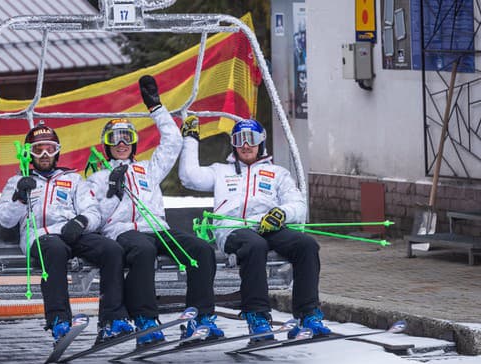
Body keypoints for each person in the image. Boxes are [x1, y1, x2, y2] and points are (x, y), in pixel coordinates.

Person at [87, 75, 224, 347]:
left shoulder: (148, 168)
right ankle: (146, 320)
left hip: (158, 229)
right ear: (107, 144)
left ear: (134, 142)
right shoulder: (98, 177)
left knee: (201, 250)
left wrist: (156, 108)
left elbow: (172, 142)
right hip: (123, 232)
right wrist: (112, 193)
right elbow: (97, 216)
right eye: (115, 138)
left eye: (127, 137)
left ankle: (201, 317)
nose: (122, 143)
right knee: (143, 251)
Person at [178, 116, 331, 341]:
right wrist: (190, 139)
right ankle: (257, 315)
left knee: (307, 245)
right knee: (254, 245)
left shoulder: (277, 173)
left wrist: (281, 213)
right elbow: (189, 177)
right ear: (234, 144)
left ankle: (308, 315)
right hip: (233, 229)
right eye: (240, 140)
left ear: (261, 142)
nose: (246, 145)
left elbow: (297, 204)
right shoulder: (221, 171)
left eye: (251, 139)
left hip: (268, 225)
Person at [0, 122, 134, 345]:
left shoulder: (72, 179)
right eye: (38, 149)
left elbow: (93, 210)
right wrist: (20, 198)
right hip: (40, 235)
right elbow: (4, 219)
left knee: (112, 250)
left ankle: (112, 319)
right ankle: (59, 320)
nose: (43, 154)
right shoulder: (18, 181)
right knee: (55, 250)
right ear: (28, 153)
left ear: (57, 151)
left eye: (49, 149)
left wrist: (81, 222)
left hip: (72, 233)